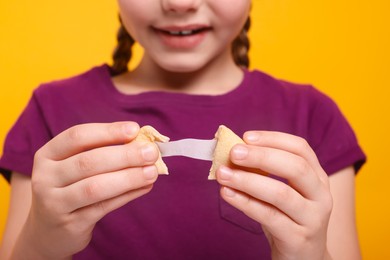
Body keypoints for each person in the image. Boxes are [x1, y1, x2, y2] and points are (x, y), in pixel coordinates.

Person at [0, 0, 366, 259]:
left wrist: (308, 254)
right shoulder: (51, 110)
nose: (179, 2)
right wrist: (40, 244)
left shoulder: (312, 116)